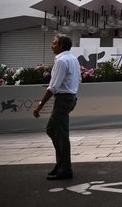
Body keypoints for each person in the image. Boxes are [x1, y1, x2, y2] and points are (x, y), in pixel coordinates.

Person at [33, 34, 81, 180]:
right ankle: (61, 163)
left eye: (54, 43)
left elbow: (53, 87)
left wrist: (39, 106)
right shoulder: (73, 59)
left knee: (61, 135)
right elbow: (79, 79)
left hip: (63, 99)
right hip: (70, 98)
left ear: (61, 46)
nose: (51, 46)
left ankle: (65, 169)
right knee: (53, 130)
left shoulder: (61, 61)